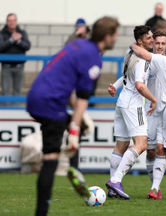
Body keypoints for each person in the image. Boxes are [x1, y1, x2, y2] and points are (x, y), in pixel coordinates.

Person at [26, 16, 119, 216]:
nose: (117, 38)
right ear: (107, 36)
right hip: (49, 103)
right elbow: (83, 98)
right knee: (50, 160)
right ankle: (41, 211)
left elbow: (68, 84)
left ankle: (71, 164)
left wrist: (78, 123)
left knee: (84, 125)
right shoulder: (94, 58)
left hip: (37, 96)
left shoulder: (77, 43)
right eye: (115, 35)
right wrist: (74, 128)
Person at [108, 31, 166, 199]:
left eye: (162, 44)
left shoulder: (165, 61)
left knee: (163, 148)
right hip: (150, 111)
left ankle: (156, 188)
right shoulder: (149, 60)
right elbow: (129, 78)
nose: (159, 46)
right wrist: (115, 85)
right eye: (156, 43)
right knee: (150, 150)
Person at [105, 25, 157, 200]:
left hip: (121, 102)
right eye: (149, 38)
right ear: (140, 41)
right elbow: (140, 85)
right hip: (134, 105)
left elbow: (126, 75)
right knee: (141, 144)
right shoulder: (142, 60)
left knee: (121, 144)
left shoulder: (130, 52)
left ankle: (113, 186)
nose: (152, 40)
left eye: (152, 37)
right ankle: (116, 181)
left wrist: (115, 86)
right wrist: (154, 100)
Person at [0, 13, 30, 99]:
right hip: (6, 67)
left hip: (19, 67)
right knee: (6, 92)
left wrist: (18, 41)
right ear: (6, 22)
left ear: (16, 21)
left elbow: (27, 46)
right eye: (9, 20)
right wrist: (11, 40)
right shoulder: (2, 34)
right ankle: (6, 111)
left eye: (13, 20)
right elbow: (1, 47)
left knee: (18, 92)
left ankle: (16, 110)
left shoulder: (22, 33)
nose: (11, 22)